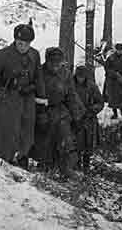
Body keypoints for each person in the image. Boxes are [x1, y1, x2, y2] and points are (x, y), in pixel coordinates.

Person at [0, 23, 45, 169]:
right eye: (20, 43)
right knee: (7, 129)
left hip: (27, 98)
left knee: (27, 129)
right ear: (15, 40)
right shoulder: (2, 55)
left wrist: (41, 100)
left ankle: (23, 155)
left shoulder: (34, 55)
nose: (23, 46)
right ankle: (6, 158)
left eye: (26, 43)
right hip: (6, 97)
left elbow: (38, 77)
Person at [30, 47, 85, 175]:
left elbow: (71, 95)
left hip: (60, 110)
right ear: (47, 61)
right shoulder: (39, 73)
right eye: (52, 62)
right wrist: (40, 112)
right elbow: (32, 93)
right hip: (41, 109)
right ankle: (44, 165)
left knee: (65, 138)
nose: (55, 66)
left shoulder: (66, 74)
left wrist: (76, 115)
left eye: (58, 62)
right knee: (44, 140)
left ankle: (65, 167)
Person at [73, 65, 103, 173]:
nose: (80, 78)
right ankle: (75, 165)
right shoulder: (70, 85)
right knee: (74, 143)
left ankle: (86, 166)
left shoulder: (92, 86)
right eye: (79, 76)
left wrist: (91, 110)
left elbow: (100, 103)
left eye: (82, 76)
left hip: (88, 119)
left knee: (88, 144)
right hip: (74, 119)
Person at [103, 43, 122, 118]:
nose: (119, 52)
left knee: (121, 97)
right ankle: (115, 113)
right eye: (118, 50)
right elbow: (107, 68)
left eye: (121, 50)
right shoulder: (111, 58)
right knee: (113, 98)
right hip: (112, 82)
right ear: (116, 50)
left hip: (121, 81)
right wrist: (113, 74)